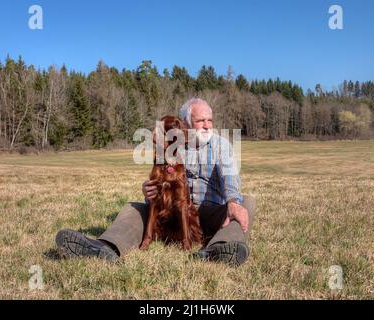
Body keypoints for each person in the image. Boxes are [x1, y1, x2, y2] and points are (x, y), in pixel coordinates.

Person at [56, 98, 256, 267]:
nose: (207, 125)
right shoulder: (170, 145)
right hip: (172, 215)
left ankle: (217, 250)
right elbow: (158, 177)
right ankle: (105, 247)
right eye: (200, 120)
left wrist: (232, 201)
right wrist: (148, 190)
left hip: (209, 212)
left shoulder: (222, 145)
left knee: (244, 203)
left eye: (210, 120)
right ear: (185, 123)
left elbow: (230, 177)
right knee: (135, 207)